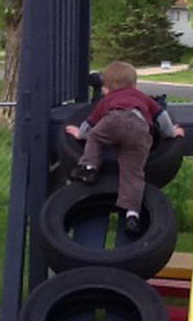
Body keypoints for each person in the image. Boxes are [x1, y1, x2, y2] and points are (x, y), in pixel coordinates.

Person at [65, 60, 184, 238]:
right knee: (133, 173)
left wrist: (80, 134)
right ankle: (132, 214)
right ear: (135, 85)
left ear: (105, 89)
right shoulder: (142, 97)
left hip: (114, 120)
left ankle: (89, 168)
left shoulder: (108, 100)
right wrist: (171, 133)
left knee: (95, 137)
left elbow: (90, 124)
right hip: (140, 130)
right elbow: (162, 117)